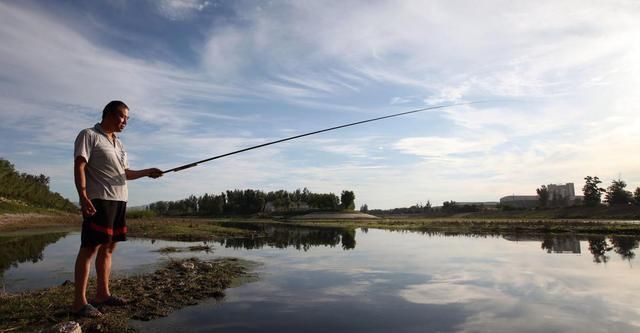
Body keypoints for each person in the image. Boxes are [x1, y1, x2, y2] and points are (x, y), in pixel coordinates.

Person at [72, 100, 163, 317]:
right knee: (90, 248)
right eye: (122, 116)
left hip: (120, 200)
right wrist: (83, 196)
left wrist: (148, 171)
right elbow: (79, 165)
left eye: (127, 118)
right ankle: (78, 302)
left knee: (109, 248)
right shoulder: (88, 135)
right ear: (109, 114)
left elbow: (125, 173)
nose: (125, 122)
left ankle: (102, 294)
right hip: (99, 200)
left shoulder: (119, 144)